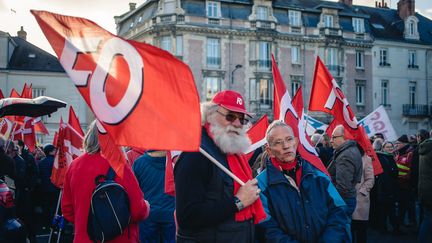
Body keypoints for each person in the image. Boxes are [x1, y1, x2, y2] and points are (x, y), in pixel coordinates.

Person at [174, 90, 265, 242]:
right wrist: (238, 202)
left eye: (241, 119)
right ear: (210, 115)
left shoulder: (232, 152)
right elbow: (188, 216)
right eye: (230, 116)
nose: (236, 123)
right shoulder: (197, 154)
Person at [255, 121, 350, 242]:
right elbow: (266, 228)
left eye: (289, 139)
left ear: (296, 142)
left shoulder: (319, 176)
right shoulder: (261, 184)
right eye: (278, 142)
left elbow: (339, 212)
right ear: (269, 151)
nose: (286, 146)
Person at [61, 120, 150, 242]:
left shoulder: (74, 166)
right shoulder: (119, 165)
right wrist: (146, 206)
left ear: (90, 137)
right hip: (118, 238)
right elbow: (137, 210)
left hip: (84, 238)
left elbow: (67, 210)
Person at [132, 150, 176, 243]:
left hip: (148, 217)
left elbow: (134, 193)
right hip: (171, 215)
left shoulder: (139, 163)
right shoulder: (174, 162)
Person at [328, 125, 363, 217]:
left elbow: (343, 187)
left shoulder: (345, 156)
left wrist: (328, 197)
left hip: (342, 201)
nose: (331, 140)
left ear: (344, 137)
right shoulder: (350, 150)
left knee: (340, 228)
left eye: (334, 137)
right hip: (346, 199)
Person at [373, 141, 399, 233]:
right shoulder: (383, 158)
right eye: (387, 147)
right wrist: (389, 192)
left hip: (388, 188)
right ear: (383, 148)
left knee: (387, 210)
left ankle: (390, 228)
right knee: (386, 210)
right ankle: (390, 229)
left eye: (391, 147)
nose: (390, 149)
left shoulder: (389, 157)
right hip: (385, 189)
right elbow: (386, 176)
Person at [351, 145, 374, 243]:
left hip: (360, 200)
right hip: (346, 198)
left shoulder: (366, 159)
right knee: (348, 231)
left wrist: (362, 191)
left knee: (361, 230)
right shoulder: (344, 158)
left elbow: (370, 179)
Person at [395, 134, 416, 228]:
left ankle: (412, 222)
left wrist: (405, 179)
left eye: (398, 143)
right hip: (400, 184)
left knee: (409, 205)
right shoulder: (399, 152)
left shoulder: (410, 153)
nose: (396, 145)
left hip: (407, 185)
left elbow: (411, 169)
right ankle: (401, 222)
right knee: (402, 205)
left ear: (404, 144)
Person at [37, 144, 60, 230]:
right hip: (55, 188)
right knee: (54, 208)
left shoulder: (41, 162)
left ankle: (45, 224)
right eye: (54, 150)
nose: (55, 151)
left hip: (44, 188)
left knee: (46, 207)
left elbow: (39, 175)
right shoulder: (56, 162)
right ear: (50, 151)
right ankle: (54, 225)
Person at [418, 134, 432, 241]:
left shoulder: (426, 147)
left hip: (424, 188)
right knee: (428, 218)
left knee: (427, 217)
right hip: (429, 189)